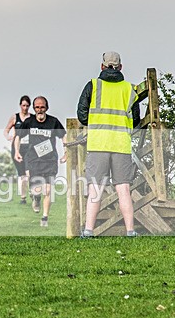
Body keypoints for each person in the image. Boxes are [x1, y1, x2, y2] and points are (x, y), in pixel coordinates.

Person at [77, 51, 140, 237]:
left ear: (102, 66)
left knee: (95, 189)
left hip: (98, 144)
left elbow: (82, 115)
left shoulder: (93, 85)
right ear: (120, 67)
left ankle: (89, 231)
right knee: (123, 189)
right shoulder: (129, 89)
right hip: (121, 144)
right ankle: (130, 231)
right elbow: (135, 119)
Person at [14, 96, 66, 228]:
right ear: (34, 108)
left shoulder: (53, 122)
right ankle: (35, 198)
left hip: (50, 161)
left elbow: (64, 136)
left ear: (46, 108)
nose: (40, 109)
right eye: (37, 107)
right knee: (37, 190)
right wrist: (17, 151)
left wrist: (67, 152)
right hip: (34, 160)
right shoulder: (29, 122)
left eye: (42, 107)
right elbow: (18, 136)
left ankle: (45, 217)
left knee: (48, 191)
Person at [3, 95, 32, 204]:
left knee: (29, 172)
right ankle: (23, 197)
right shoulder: (15, 117)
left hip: (29, 147)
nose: (25, 108)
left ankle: (32, 192)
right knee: (22, 174)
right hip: (17, 147)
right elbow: (6, 130)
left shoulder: (32, 118)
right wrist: (8, 137)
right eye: (23, 105)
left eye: (27, 106)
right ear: (20, 105)